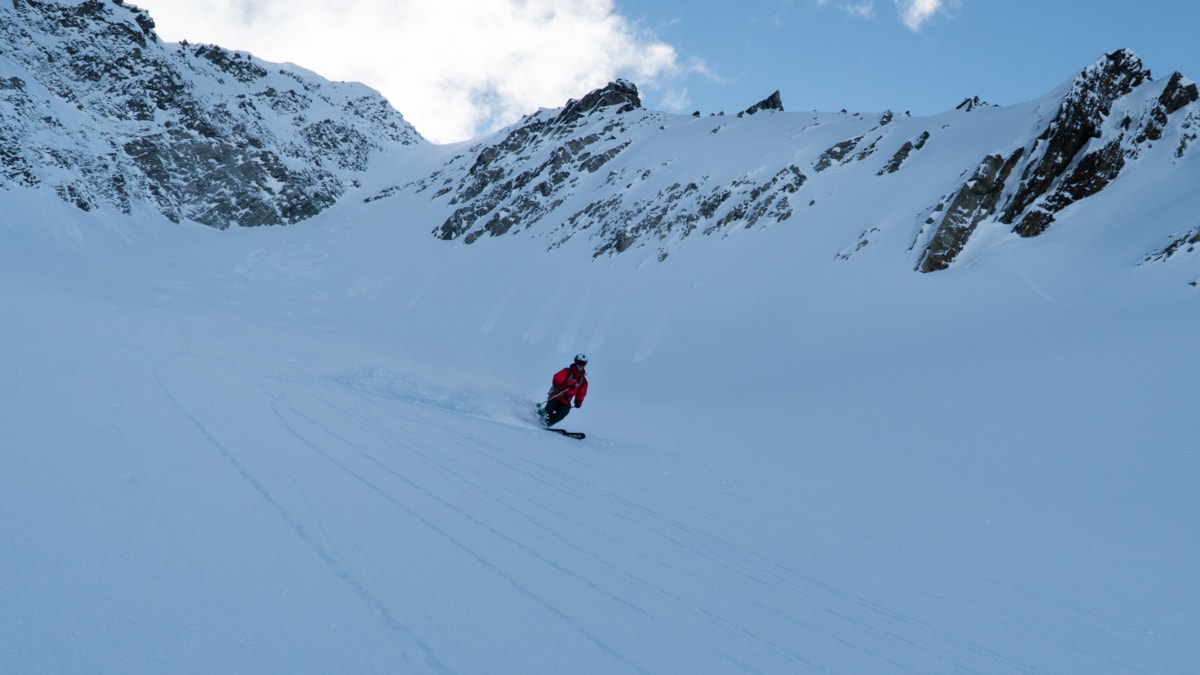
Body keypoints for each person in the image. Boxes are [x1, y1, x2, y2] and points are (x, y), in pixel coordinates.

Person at [542, 354, 588, 427]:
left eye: (583, 364)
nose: (581, 365)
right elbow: (556, 380)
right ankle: (541, 418)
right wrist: (567, 385)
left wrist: (578, 401)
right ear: (576, 362)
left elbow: (581, 393)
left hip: (566, 400)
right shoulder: (567, 371)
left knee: (564, 411)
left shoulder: (583, 381)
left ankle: (547, 423)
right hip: (556, 395)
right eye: (579, 363)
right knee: (551, 406)